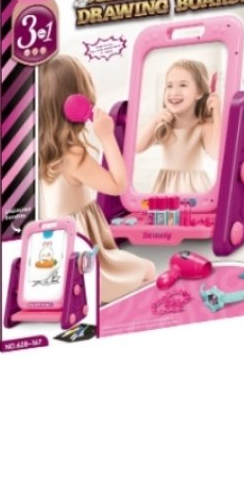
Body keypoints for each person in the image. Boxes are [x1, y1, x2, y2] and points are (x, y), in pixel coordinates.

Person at [38, 55, 155, 304]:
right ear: (76, 102)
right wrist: (107, 136)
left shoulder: (42, 149)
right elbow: (118, 185)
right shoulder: (73, 154)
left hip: (56, 245)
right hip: (81, 249)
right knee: (148, 269)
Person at [135, 59, 220, 193]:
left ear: (199, 92)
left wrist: (217, 114)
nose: (174, 92)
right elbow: (137, 147)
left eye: (183, 85)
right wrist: (154, 121)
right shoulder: (164, 125)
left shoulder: (202, 126)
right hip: (165, 189)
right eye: (169, 86)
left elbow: (216, 153)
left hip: (194, 190)